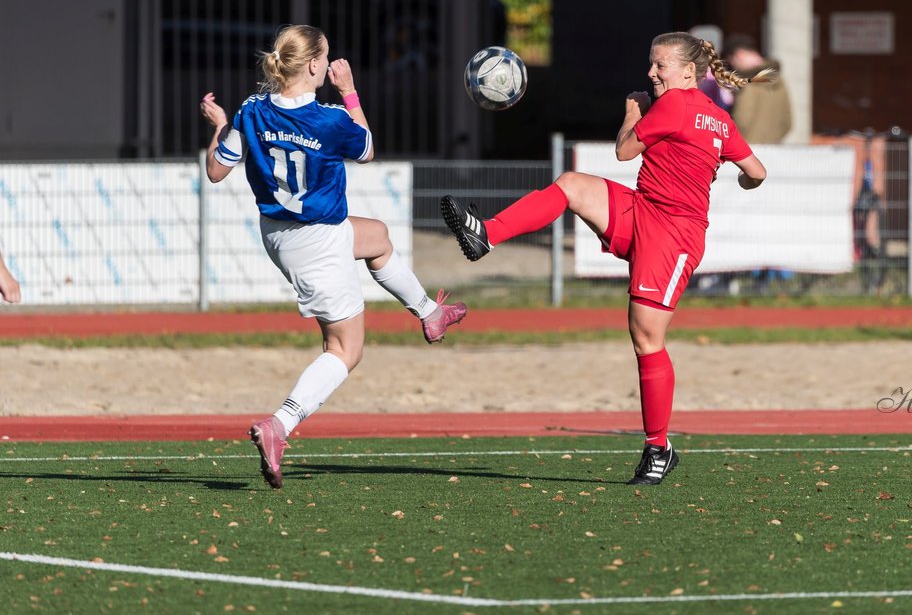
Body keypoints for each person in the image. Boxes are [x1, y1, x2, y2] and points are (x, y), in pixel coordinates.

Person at [440, 31, 768, 486]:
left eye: (660, 66)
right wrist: (734, 178)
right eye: (651, 64)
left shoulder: (671, 105)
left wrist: (633, 113)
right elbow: (757, 173)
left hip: (673, 236)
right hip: (644, 210)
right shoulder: (719, 119)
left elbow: (624, 149)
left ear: (688, 72)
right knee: (572, 184)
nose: (651, 73)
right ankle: (485, 235)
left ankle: (658, 448)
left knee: (646, 338)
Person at [199, 24, 468, 489]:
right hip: (317, 241)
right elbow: (366, 149)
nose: (331, 64)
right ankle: (280, 424)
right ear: (314, 66)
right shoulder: (329, 118)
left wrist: (221, 124)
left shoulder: (251, 110)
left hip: (280, 235)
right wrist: (351, 92)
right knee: (346, 350)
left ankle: (429, 312)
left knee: (377, 238)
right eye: (327, 58)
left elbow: (216, 170)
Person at [724, 39, 792, 144]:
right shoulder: (779, 80)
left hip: (747, 150)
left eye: (732, 63)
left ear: (739, 55)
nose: (733, 67)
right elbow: (788, 122)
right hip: (775, 149)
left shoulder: (748, 82)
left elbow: (742, 120)